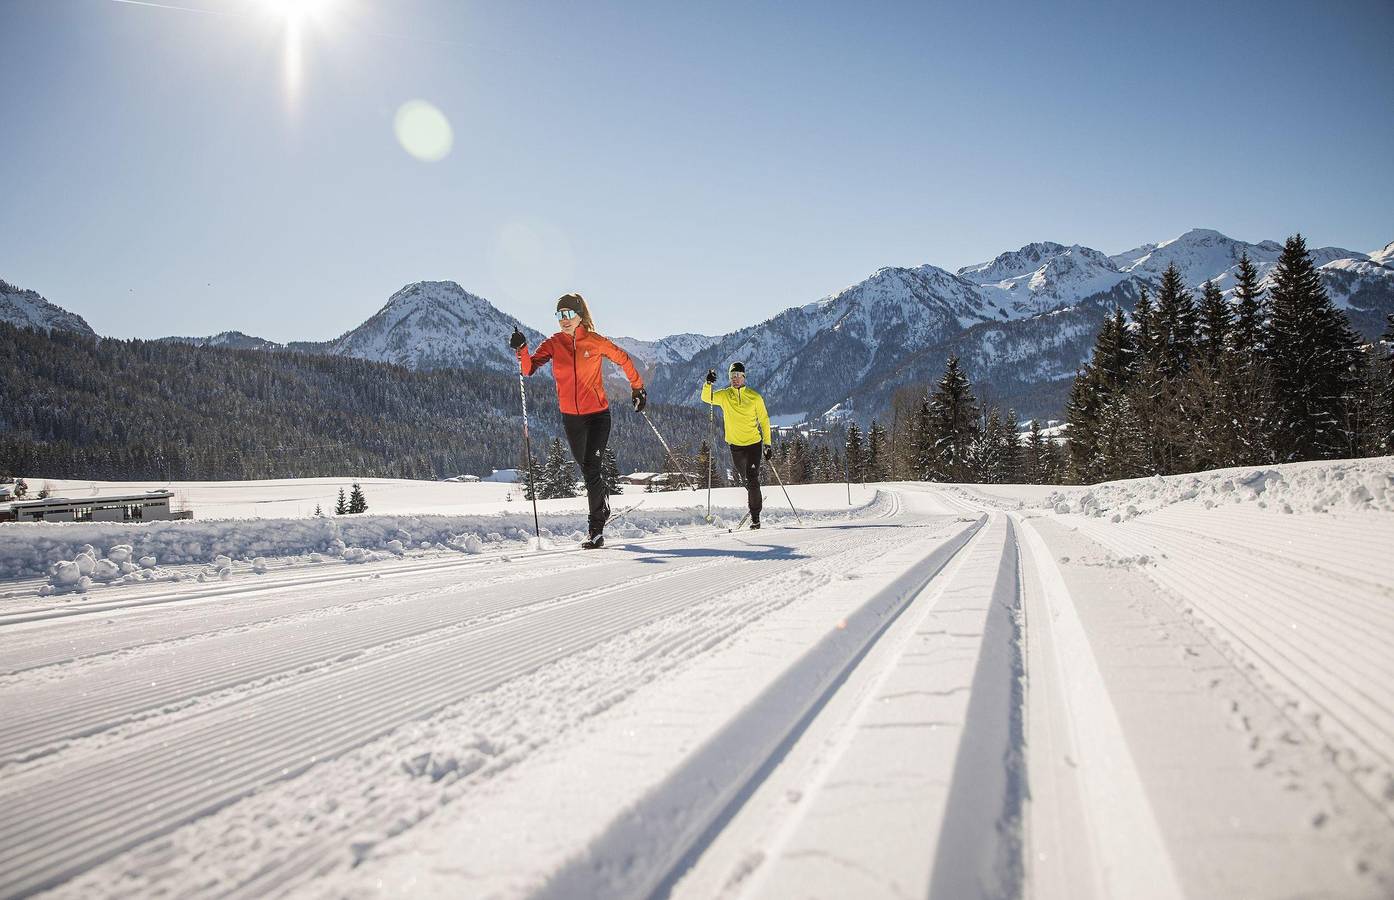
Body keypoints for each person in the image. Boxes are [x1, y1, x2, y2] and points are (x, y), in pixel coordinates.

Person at [510, 293, 646, 549]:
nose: (563, 319)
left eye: (568, 314)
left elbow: (624, 359)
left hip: (597, 416)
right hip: (571, 418)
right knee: (586, 470)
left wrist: (637, 388)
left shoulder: (594, 342)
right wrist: (522, 349)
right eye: (559, 315)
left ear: (580, 316)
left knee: (592, 469)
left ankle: (595, 529)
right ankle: (602, 500)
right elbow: (528, 369)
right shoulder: (554, 343)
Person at [701, 361, 772, 528]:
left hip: (754, 444)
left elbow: (764, 420)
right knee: (746, 480)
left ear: (744, 377)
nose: (735, 378)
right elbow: (706, 397)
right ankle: (755, 496)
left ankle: (755, 515)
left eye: (738, 375)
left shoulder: (755, 397)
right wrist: (708, 383)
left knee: (752, 478)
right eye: (732, 376)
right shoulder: (725, 395)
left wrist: (767, 444)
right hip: (735, 447)